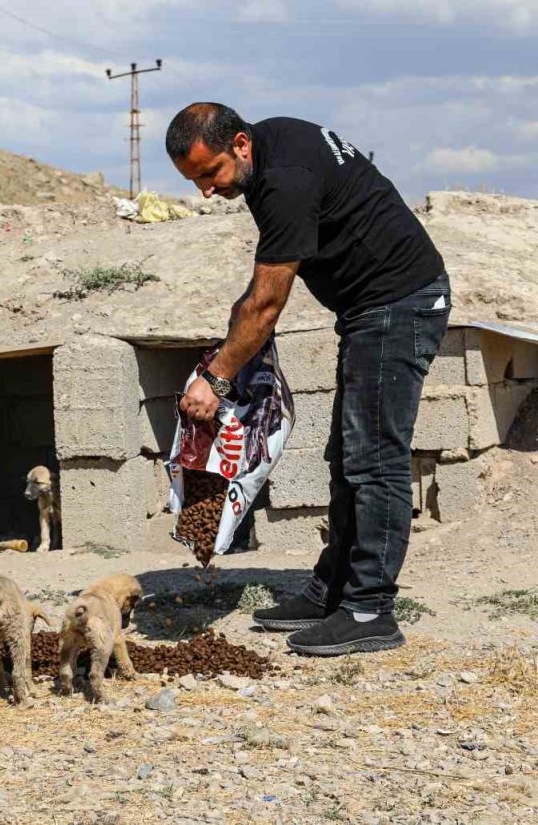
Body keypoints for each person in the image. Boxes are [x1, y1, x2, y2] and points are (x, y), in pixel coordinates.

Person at [167, 103, 450, 656]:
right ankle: (332, 590)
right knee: (347, 455)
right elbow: (254, 296)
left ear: (240, 145)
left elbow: (268, 302)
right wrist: (228, 348)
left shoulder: (284, 179)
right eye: (194, 180)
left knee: (374, 459)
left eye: (209, 174)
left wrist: (216, 379)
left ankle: (370, 610)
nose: (205, 191)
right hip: (370, 311)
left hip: (398, 305)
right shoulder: (270, 154)